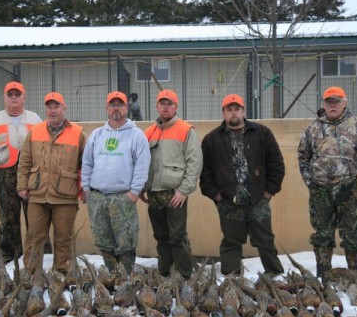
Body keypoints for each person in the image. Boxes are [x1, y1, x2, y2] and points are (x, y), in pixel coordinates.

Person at [200, 94, 285, 277]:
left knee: (265, 239)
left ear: (243, 110)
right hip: (228, 200)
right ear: (223, 113)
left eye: (236, 108)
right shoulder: (211, 139)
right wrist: (216, 196)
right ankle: (231, 278)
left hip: (258, 198)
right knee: (231, 240)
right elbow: (204, 172)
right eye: (229, 109)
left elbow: (276, 164)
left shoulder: (262, 133)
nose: (233, 113)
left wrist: (269, 191)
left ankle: (275, 273)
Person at [298, 86, 357, 278]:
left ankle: (356, 277)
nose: (332, 106)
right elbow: (303, 157)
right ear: (324, 104)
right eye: (328, 102)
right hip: (321, 192)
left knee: (353, 235)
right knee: (322, 236)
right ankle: (324, 277)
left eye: (336, 102)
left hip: (349, 191)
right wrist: (311, 183)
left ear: (345, 102)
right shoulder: (313, 129)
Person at [81, 91, 151, 273]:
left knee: (125, 242)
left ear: (126, 108)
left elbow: (142, 166)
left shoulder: (136, 135)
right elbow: (87, 163)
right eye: (112, 105)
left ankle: (126, 279)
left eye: (120, 105)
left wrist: (134, 193)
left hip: (123, 198)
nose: (116, 108)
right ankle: (110, 277)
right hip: (97, 198)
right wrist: (87, 190)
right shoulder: (97, 135)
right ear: (107, 108)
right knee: (104, 240)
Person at [17, 92, 86, 274]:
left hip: (65, 196)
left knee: (64, 237)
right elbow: (24, 161)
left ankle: (63, 272)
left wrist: (84, 189)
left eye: (56, 107)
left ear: (64, 109)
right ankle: (31, 273)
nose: (53, 111)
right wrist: (22, 185)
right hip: (38, 194)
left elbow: (86, 164)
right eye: (49, 107)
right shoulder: (35, 131)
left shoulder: (78, 133)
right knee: (34, 236)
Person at [140, 89, 203, 280]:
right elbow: (142, 161)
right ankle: (165, 272)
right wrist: (143, 186)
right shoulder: (149, 132)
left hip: (175, 194)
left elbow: (195, 162)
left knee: (177, 236)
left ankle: (184, 274)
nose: (165, 107)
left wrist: (184, 191)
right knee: (161, 236)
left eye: (170, 104)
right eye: (162, 103)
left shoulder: (186, 129)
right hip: (154, 194)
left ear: (176, 107)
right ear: (157, 106)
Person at [0, 81, 43, 264]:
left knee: (36, 217)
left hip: (32, 177)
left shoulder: (35, 119)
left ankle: (38, 255)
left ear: (24, 97)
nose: (14, 98)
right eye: (10, 95)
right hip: (4, 178)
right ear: (4, 98)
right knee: (7, 218)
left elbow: (44, 147)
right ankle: (8, 255)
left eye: (18, 94)